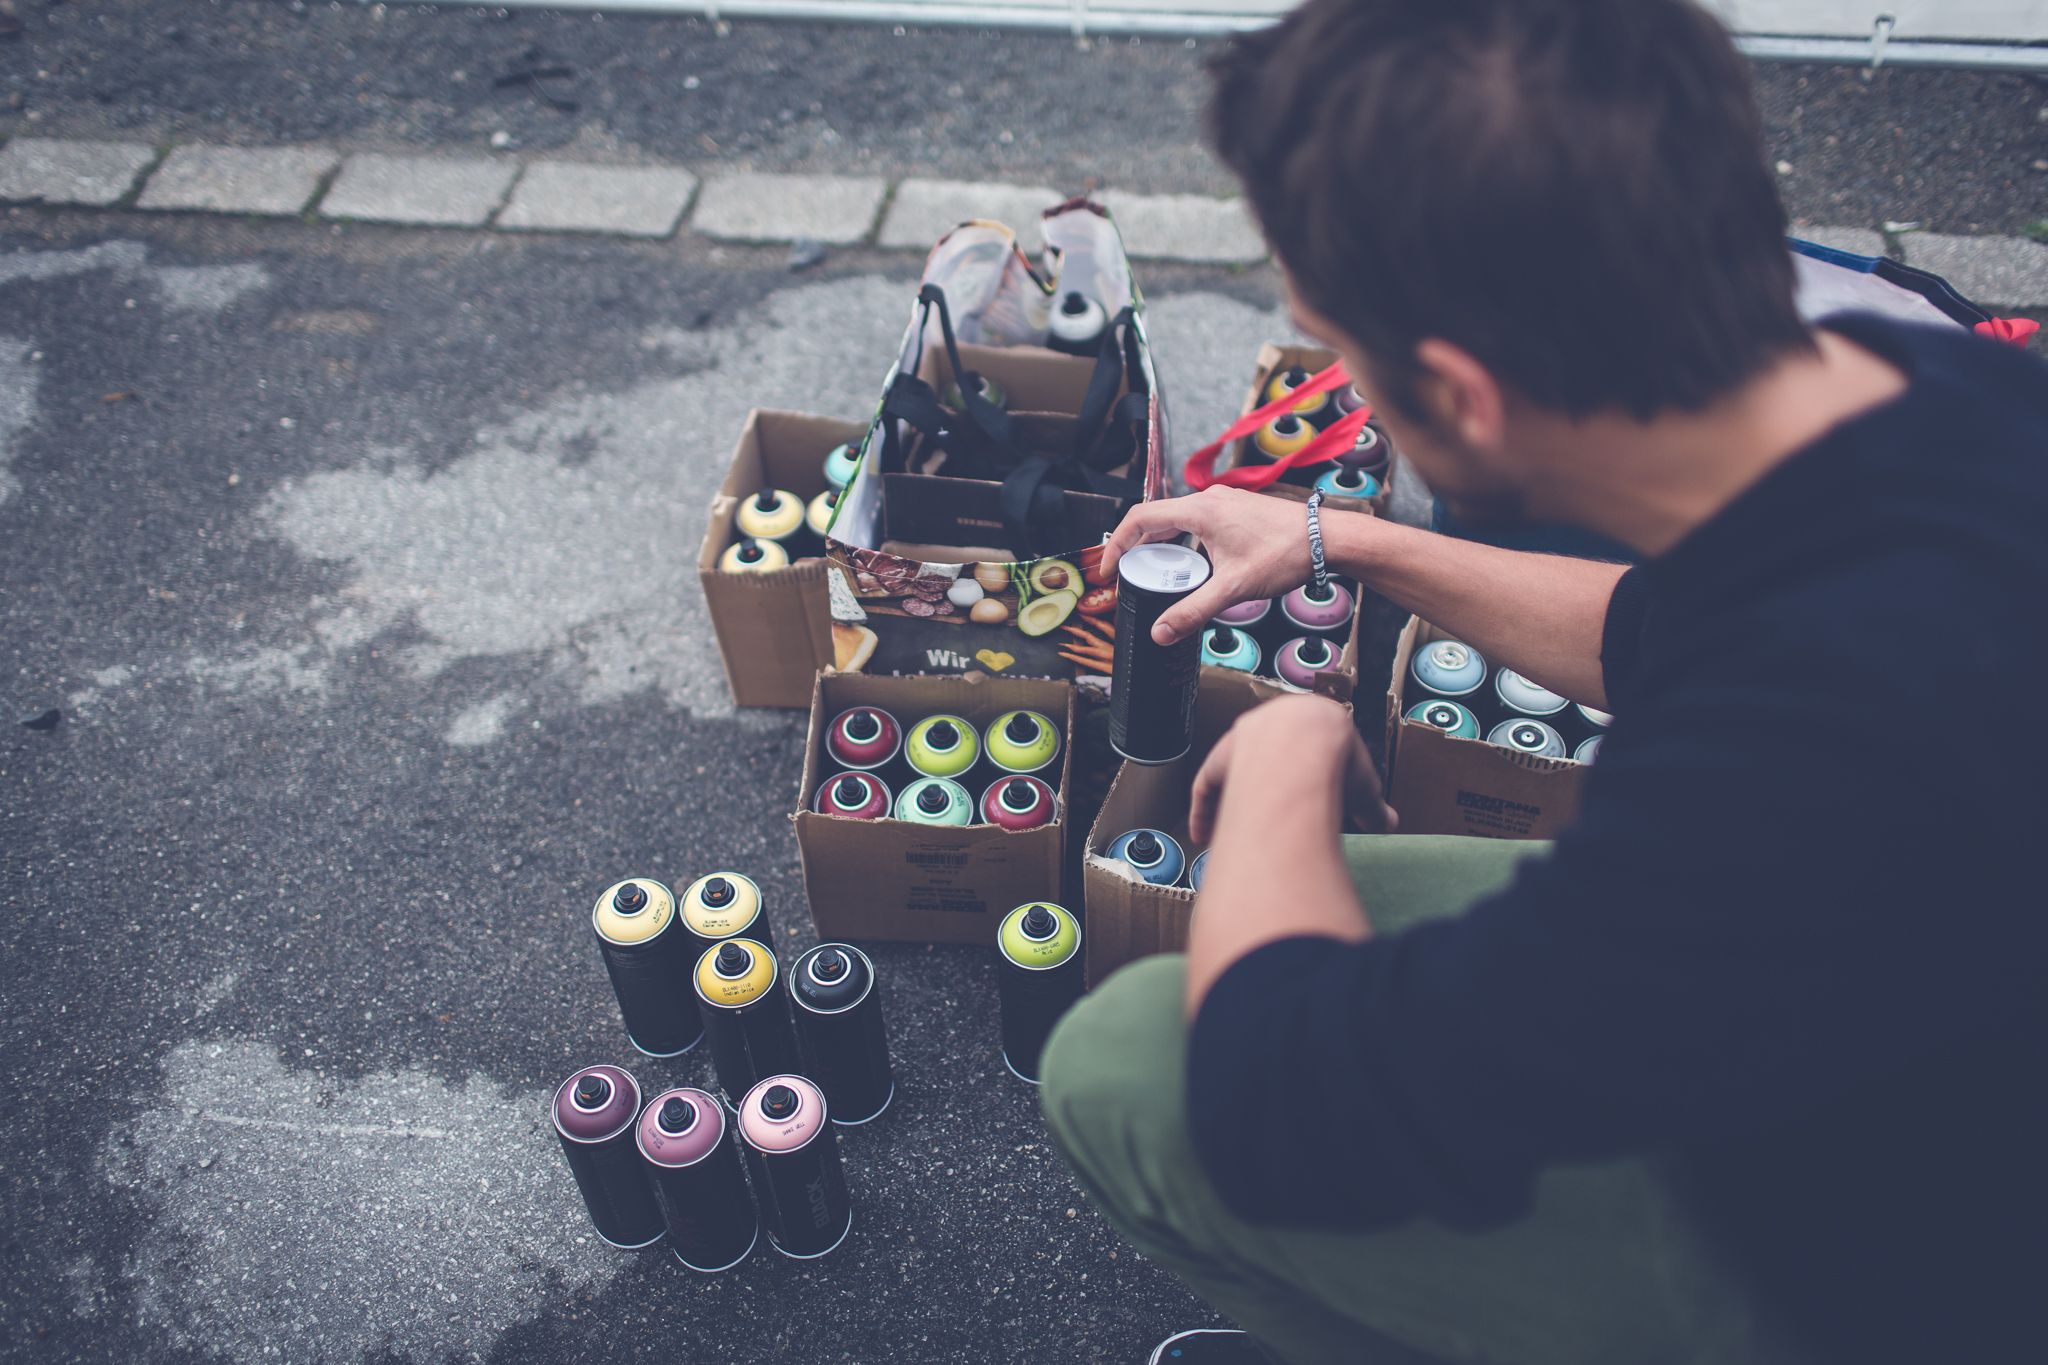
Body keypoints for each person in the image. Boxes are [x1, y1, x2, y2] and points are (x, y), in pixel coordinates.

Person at [1037, 2, 2048, 1363]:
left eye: (1344, 348)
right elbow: (1664, 623)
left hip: (1895, 1258)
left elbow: (1288, 1113)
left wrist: (1289, 745)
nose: (1344, 387)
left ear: (1460, 395)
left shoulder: (1790, 778)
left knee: (1128, 1071)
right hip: (1916, 1013)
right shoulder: (1925, 386)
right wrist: (1341, 536)